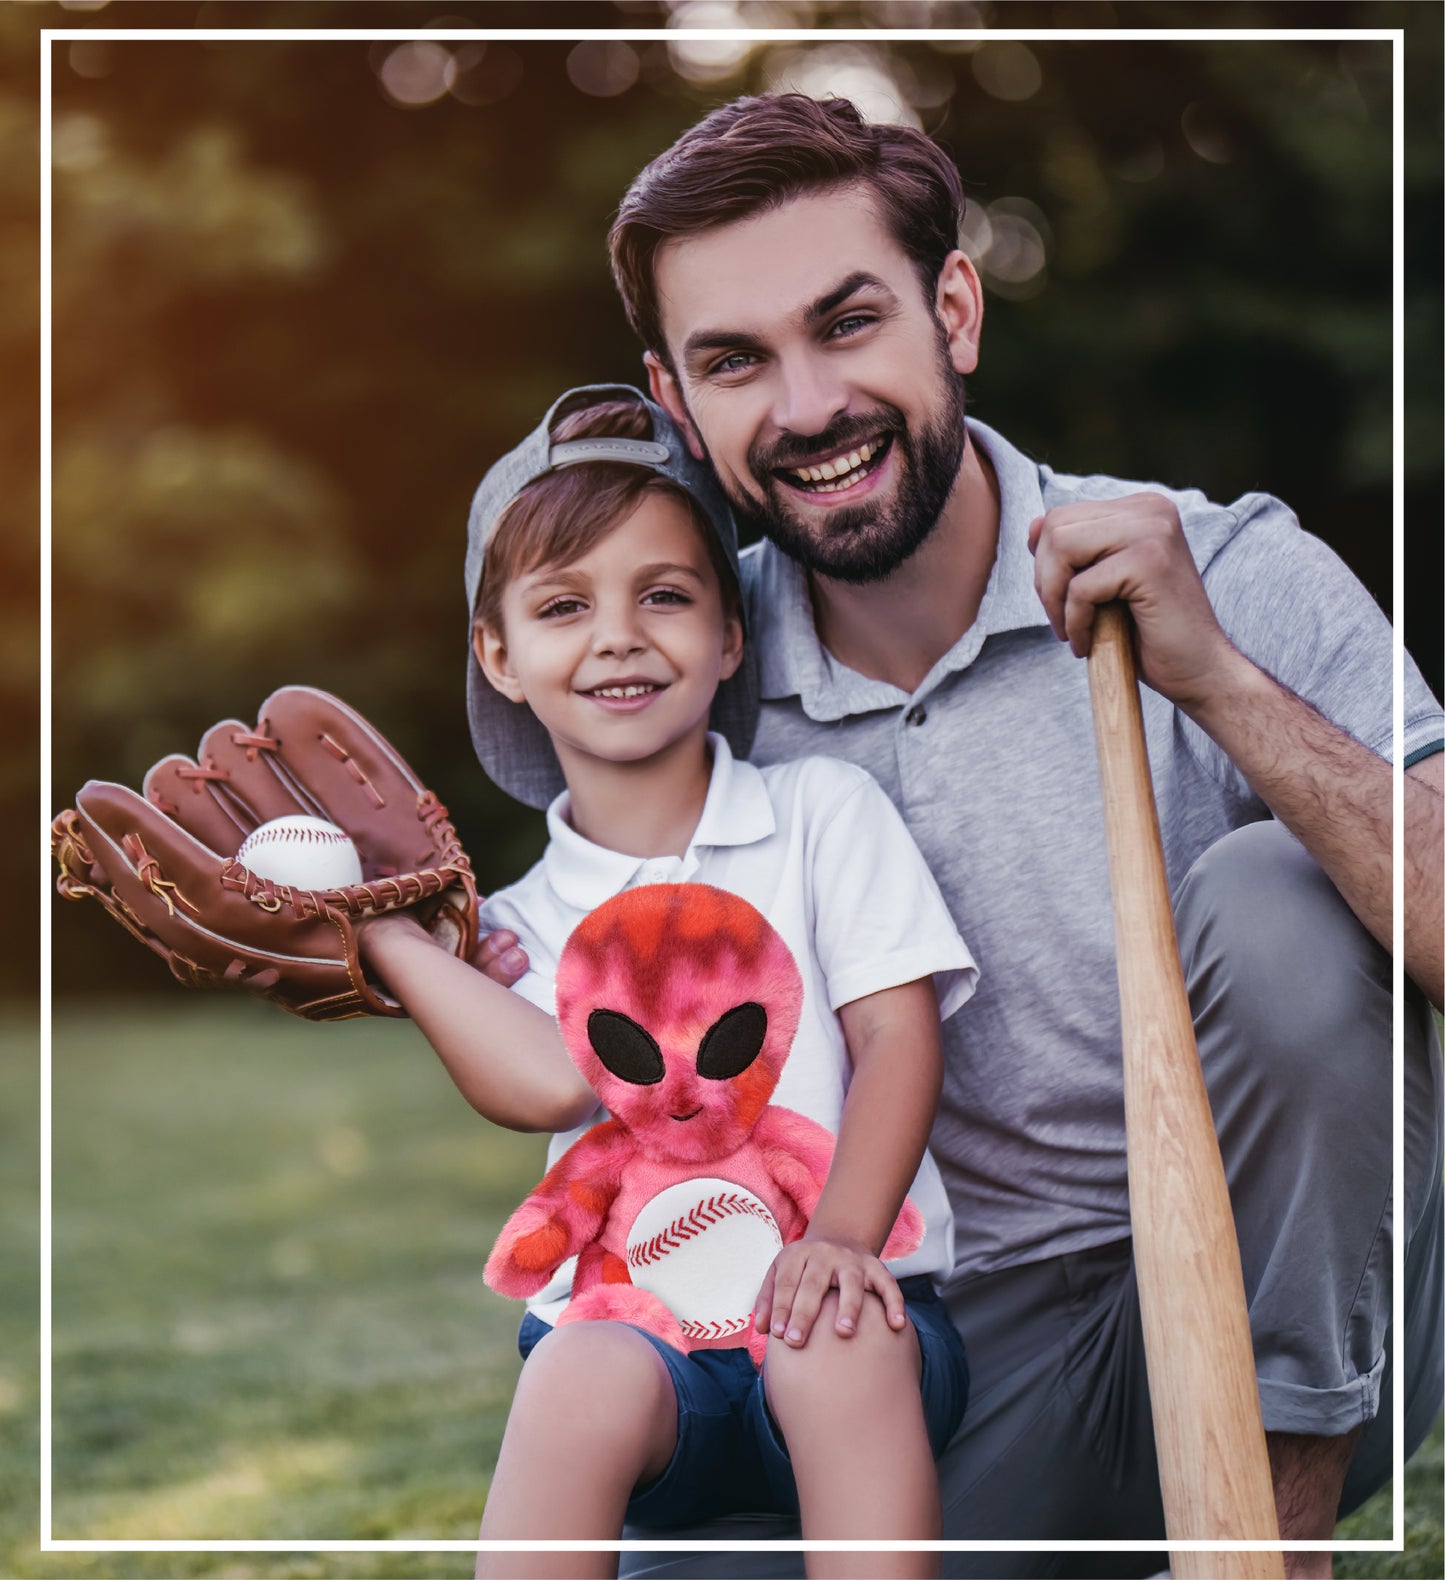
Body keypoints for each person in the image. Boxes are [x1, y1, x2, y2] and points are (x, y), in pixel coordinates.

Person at [478, 94, 1443, 1579]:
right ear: (676, 403)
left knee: (1276, 899)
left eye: (847, 323)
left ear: (954, 307)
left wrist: (1219, 682)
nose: (804, 408)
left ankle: (1264, 1555)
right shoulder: (680, 664)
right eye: (737, 362)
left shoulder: (1224, 566)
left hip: (1281, 1301)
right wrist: (382, 943)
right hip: (920, 1343)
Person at [362, 385, 977, 1580]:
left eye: (663, 594)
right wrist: (393, 939)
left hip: (858, 1312)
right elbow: (547, 1084)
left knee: (832, 1336)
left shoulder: (817, 815)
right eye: (559, 605)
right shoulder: (516, 924)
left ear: (730, 632)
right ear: (498, 653)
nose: (617, 635)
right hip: (654, 1357)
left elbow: (899, 1039)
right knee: (575, 1369)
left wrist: (839, 1237)